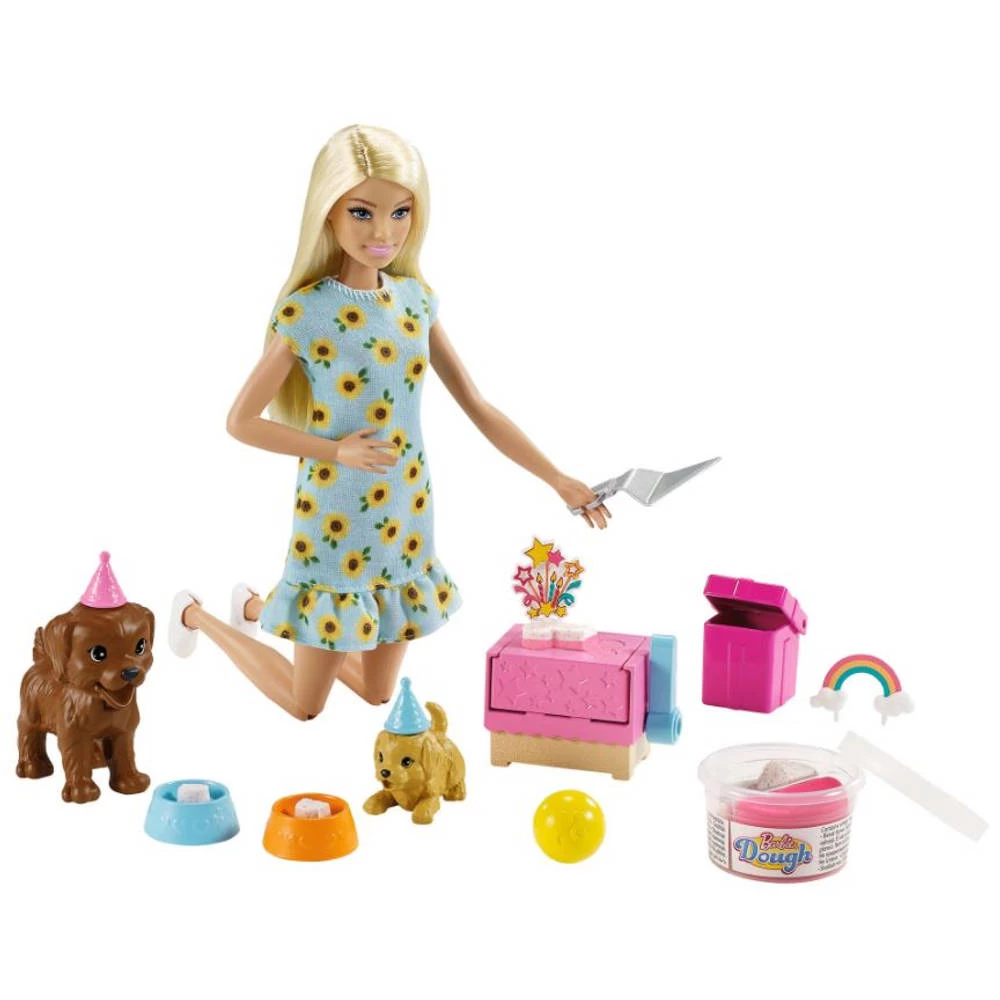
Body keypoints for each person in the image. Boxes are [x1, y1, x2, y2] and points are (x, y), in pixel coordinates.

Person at [169, 124, 610, 721]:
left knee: (378, 693)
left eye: (400, 212)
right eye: (362, 212)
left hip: (404, 515)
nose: (383, 233)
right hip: (335, 521)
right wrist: (335, 451)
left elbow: (478, 404)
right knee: (305, 705)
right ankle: (198, 614)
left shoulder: (414, 302)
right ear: (328, 212)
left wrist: (558, 479)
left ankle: (256, 606)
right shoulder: (307, 313)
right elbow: (241, 421)